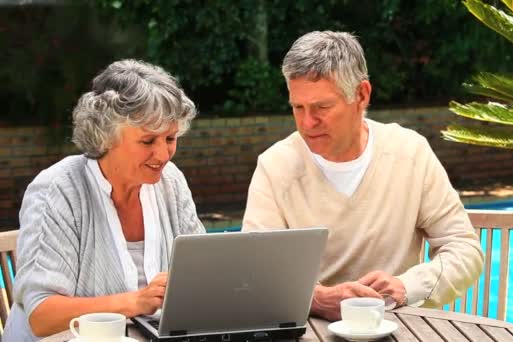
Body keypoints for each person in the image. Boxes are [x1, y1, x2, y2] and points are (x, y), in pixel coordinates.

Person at [242, 31, 483, 321]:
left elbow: (465, 250)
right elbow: (254, 273)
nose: (307, 123)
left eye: (322, 107)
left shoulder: (410, 153)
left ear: (361, 94)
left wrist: (407, 286)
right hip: (310, 330)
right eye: (298, 107)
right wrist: (316, 299)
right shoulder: (275, 166)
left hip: (398, 326)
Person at [3, 59, 205, 340]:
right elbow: (42, 315)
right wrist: (135, 301)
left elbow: (203, 273)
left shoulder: (170, 181)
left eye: (170, 138)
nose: (163, 155)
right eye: (148, 141)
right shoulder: (58, 190)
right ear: (106, 135)